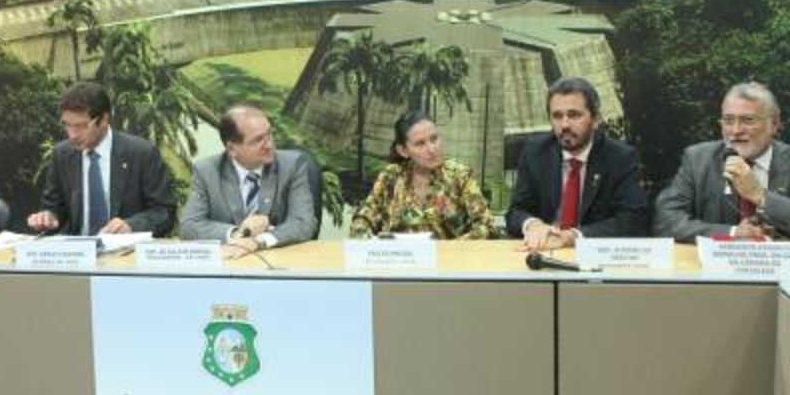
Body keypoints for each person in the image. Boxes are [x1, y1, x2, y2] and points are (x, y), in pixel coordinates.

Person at [653, 81, 790, 249]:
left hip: (778, 270)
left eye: (747, 120)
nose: (735, 131)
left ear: (774, 124)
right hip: (714, 272)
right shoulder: (697, 159)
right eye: (728, 120)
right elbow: (665, 221)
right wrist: (733, 233)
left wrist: (760, 196)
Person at [506, 77, 649, 250]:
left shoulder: (620, 157)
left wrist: (573, 237)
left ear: (595, 119)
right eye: (557, 116)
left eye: (574, 115)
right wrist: (532, 224)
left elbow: (633, 221)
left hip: (595, 259)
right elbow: (515, 212)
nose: (564, 125)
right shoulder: (536, 152)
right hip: (544, 253)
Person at [27, 82, 175, 236]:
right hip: (78, 253)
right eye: (67, 125)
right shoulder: (62, 154)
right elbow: (54, 208)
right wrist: (49, 217)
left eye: (80, 126)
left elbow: (164, 213)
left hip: (125, 253)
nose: (72, 135)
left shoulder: (141, 153)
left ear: (103, 120)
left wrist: (132, 226)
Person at [180, 105, 316, 252]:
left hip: (279, 260)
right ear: (232, 149)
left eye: (269, 134)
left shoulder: (292, 166)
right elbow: (190, 225)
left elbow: (303, 223)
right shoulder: (206, 171)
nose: (269, 145)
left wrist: (259, 241)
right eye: (258, 140)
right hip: (229, 261)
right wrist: (239, 233)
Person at [349, 110, 492, 239]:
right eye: (420, 144)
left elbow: (485, 225)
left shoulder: (459, 176)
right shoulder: (390, 177)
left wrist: (453, 247)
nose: (431, 149)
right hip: (400, 262)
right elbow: (364, 217)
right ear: (403, 151)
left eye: (434, 139)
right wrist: (362, 238)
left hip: (448, 262)